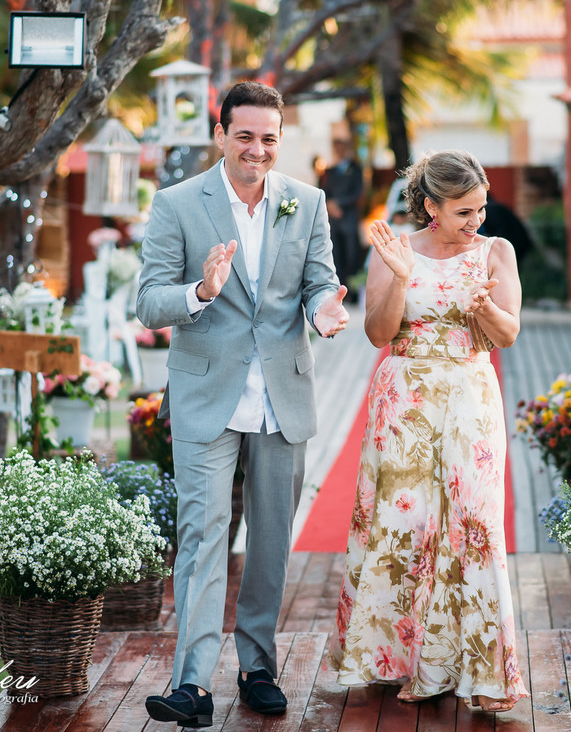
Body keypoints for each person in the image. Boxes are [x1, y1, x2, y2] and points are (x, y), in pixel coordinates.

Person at [136, 81, 349, 728]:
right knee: (202, 538)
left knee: (271, 542)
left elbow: (317, 281)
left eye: (269, 139)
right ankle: (192, 686)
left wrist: (325, 309)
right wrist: (202, 288)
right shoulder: (176, 204)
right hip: (206, 393)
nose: (257, 150)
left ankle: (259, 666)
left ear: (279, 141)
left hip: (282, 393)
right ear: (221, 135)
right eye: (245, 136)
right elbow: (148, 301)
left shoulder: (306, 203)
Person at [330, 149, 529, 712]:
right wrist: (399, 277)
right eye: (464, 212)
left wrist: (483, 307)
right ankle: (393, 659)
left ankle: (474, 667)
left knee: (471, 522)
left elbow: (508, 334)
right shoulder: (396, 248)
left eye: (480, 209)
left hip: (470, 395)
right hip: (404, 399)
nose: (476, 223)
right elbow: (376, 333)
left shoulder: (497, 252)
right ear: (429, 207)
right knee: (402, 520)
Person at [324, 137, 364, 295]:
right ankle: (338, 289)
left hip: (349, 218)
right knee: (335, 254)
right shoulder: (330, 171)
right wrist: (329, 204)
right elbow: (323, 190)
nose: (339, 151)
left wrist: (339, 203)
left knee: (351, 253)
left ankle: (352, 291)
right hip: (333, 220)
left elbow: (357, 192)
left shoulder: (356, 169)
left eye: (341, 147)